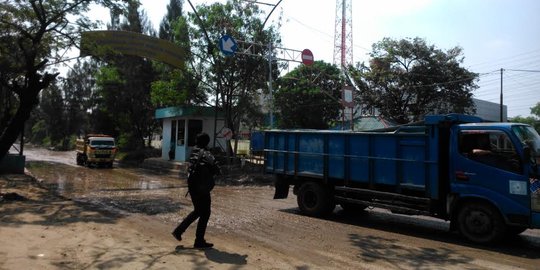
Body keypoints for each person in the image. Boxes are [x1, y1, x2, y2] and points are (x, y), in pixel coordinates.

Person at [172, 132, 220, 249]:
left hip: (192, 186)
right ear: (207, 142)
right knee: (205, 212)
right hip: (202, 188)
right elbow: (217, 170)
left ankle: (179, 231)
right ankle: (198, 240)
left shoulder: (193, 152)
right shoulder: (206, 154)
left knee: (198, 211)